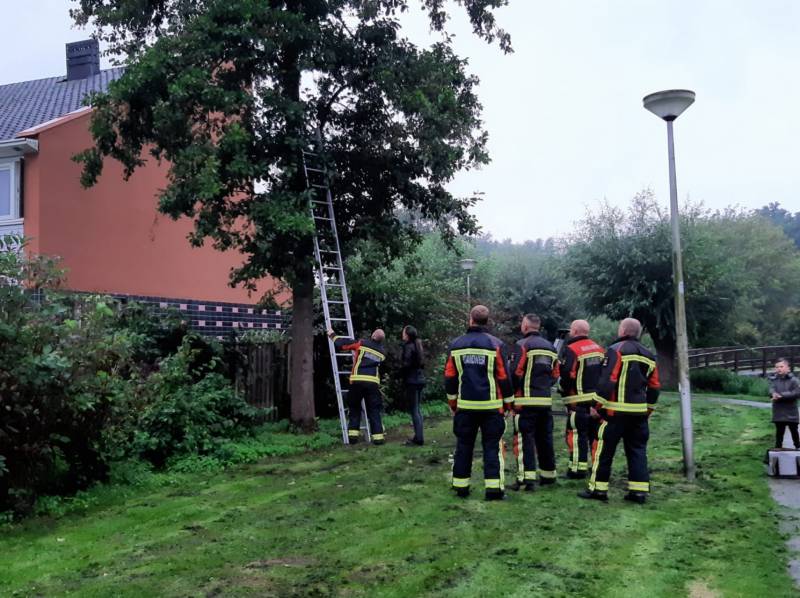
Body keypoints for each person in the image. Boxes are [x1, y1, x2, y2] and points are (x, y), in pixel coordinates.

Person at [580, 318, 660, 504]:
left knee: (604, 452)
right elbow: (655, 386)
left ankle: (598, 490)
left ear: (623, 330)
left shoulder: (616, 350)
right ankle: (638, 492)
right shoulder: (649, 355)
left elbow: (608, 380)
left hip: (614, 413)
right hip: (638, 414)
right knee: (638, 451)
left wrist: (596, 405)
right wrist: (648, 409)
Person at [444, 305, 514, 500]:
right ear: (487, 321)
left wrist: (453, 404)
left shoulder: (456, 345)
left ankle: (461, 487)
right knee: (492, 446)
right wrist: (508, 404)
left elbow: (450, 376)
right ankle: (493, 490)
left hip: (465, 406)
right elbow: (503, 377)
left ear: (470, 320)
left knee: (464, 446)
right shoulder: (496, 344)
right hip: (491, 407)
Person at [511, 314, 560, 490]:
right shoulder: (550, 348)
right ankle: (549, 475)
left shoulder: (522, 345)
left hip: (525, 401)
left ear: (525, 326)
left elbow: (515, 372)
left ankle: (526, 479)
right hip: (545, 402)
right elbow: (555, 375)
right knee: (545, 438)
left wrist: (511, 395)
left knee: (525, 439)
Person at [559, 319, 605, 479]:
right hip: (596, 402)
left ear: (576, 331)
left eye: (571, 330)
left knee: (576, 435)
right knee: (594, 437)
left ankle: (577, 470)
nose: (570, 333)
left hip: (578, 400)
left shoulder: (572, 349)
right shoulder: (599, 349)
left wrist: (564, 392)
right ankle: (595, 467)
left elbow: (567, 375)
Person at [328, 328, 387, 445]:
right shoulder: (382, 353)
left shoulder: (362, 344)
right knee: (374, 410)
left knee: (354, 408)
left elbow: (343, 345)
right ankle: (378, 438)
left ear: (373, 336)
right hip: (373, 383)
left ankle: (353, 437)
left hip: (358, 380)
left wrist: (332, 335)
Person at [400, 325, 426, 446]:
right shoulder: (418, 345)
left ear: (407, 334)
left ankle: (419, 438)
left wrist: (399, 372)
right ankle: (418, 436)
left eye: (403, 332)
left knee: (414, 410)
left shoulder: (408, 347)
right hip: (420, 379)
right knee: (418, 409)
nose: (402, 334)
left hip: (412, 380)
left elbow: (406, 364)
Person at [769, 358, 800, 449]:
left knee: (794, 431)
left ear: (788, 368)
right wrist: (773, 394)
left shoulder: (794, 380)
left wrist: (782, 395)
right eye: (777, 367)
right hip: (778, 411)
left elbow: (797, 393)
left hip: (791, 411)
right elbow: (771, 389)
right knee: (779, 433)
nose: (779, 369)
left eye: (781, 366)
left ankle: (798, 448)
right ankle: (777, 452)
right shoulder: (774, 380)